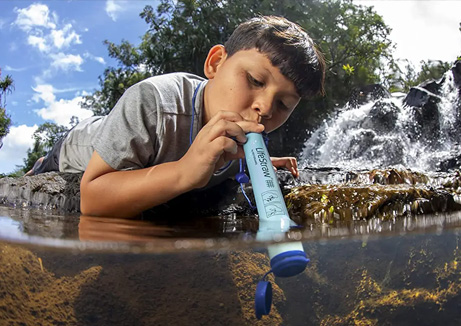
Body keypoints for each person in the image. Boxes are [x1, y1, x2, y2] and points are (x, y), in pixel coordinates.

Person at [26, 15, 325, 218]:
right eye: (255, 81)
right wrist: (184, 172)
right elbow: (92, 199)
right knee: (45, 172)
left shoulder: (242, 132)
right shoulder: (154, 101)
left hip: (145, 147)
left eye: (284, 104)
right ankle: (39, 164)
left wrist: (257, 162)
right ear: (216, 63)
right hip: (79, 147)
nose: (266, 108)